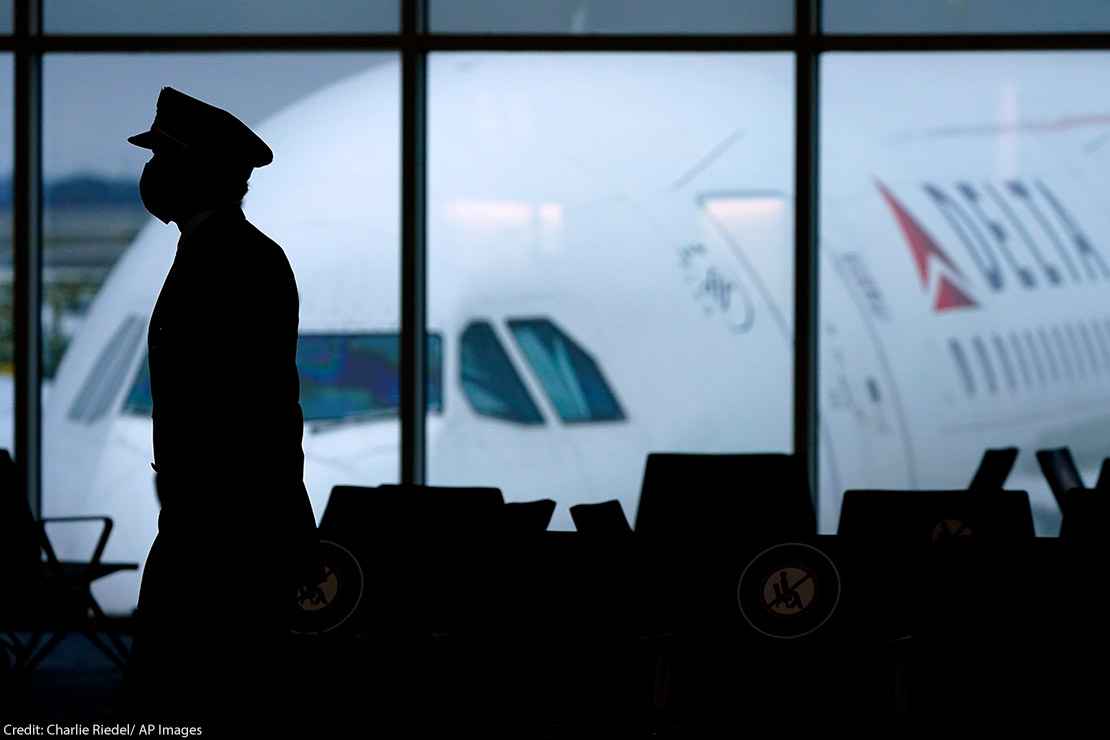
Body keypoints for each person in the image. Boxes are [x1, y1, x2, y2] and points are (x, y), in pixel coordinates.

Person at [119, 87, 318, 728]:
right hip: (212, 514)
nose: (154, 174)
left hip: (226, 521)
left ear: (198, 170)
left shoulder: (236, 261)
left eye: (165, 157)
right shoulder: (221, 253)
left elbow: (258, 407)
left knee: (195, 685)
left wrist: (283, 522)